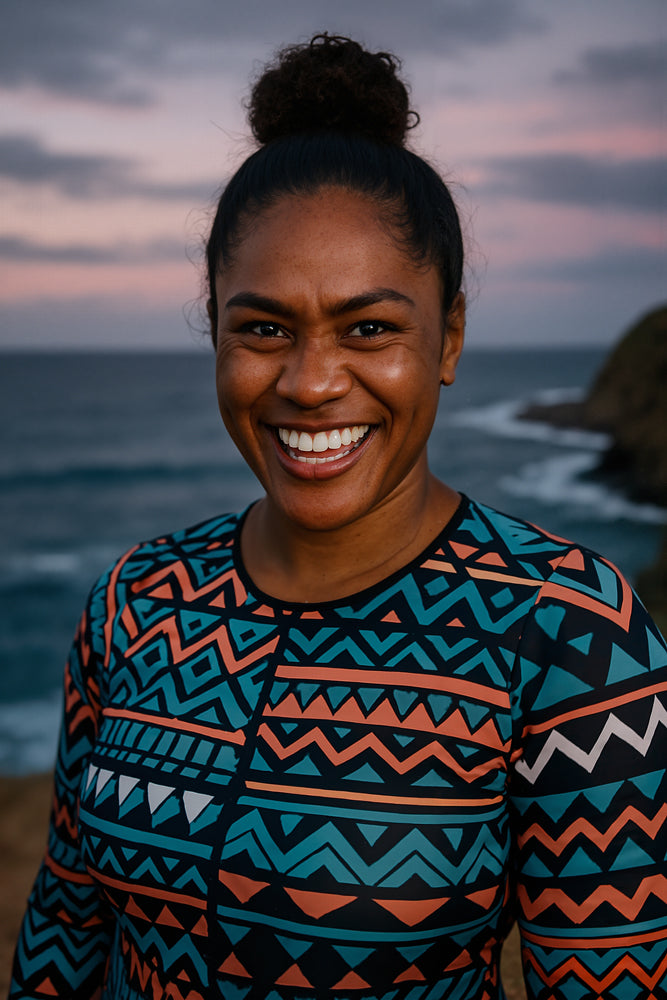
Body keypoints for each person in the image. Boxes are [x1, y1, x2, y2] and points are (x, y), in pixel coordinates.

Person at [9, 34, 667, 1000]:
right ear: (215, 331)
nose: (311, 383)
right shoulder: (137, 602)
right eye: (264, 328)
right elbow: (64, 937)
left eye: (369, 328)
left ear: (447, 339)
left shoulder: (568, 633)